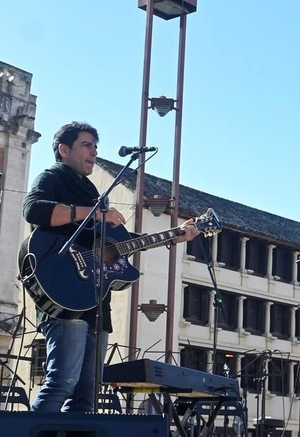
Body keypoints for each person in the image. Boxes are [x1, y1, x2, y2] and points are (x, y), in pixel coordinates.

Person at [23, 121, 198, 412]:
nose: (94, 152)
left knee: (87, 395)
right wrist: (91, 213)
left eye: (95, 146)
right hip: (64, 292)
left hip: (95, 303)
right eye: (86, 145)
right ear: (64, 150)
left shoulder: (91, 190)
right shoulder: (52, 177)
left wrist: (174, 236)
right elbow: (33, 209)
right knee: (62, 383)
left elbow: (116, 242)